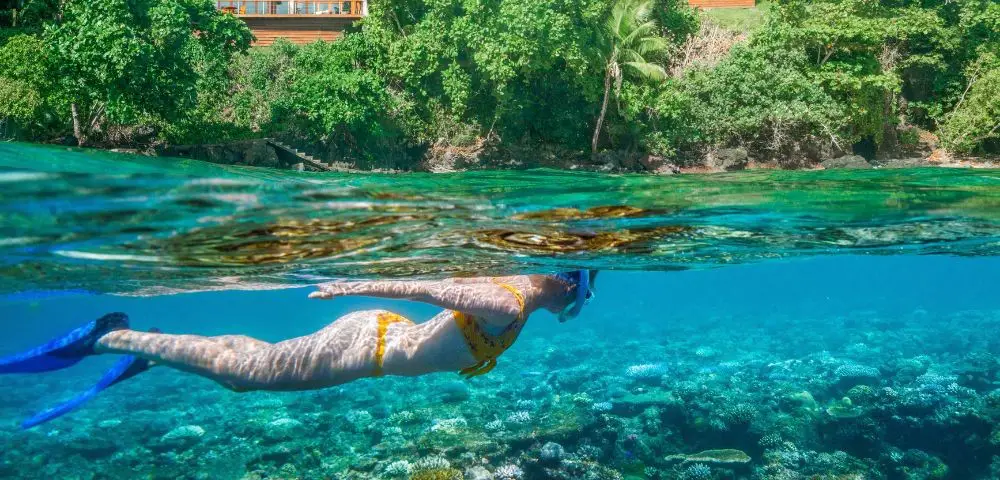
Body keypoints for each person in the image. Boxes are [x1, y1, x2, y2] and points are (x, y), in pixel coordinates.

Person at [0, 271, 596, 429]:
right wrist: (357, 284)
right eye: (586, 293)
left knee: (250, 369)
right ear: (571, 285)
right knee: (256, 372)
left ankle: (159, 351)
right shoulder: (511, 303)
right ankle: (108, 337)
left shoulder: (514, 293)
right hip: (373, 346)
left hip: (379, 340)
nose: (580, 307)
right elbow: (434, 289)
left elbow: (441, 292)